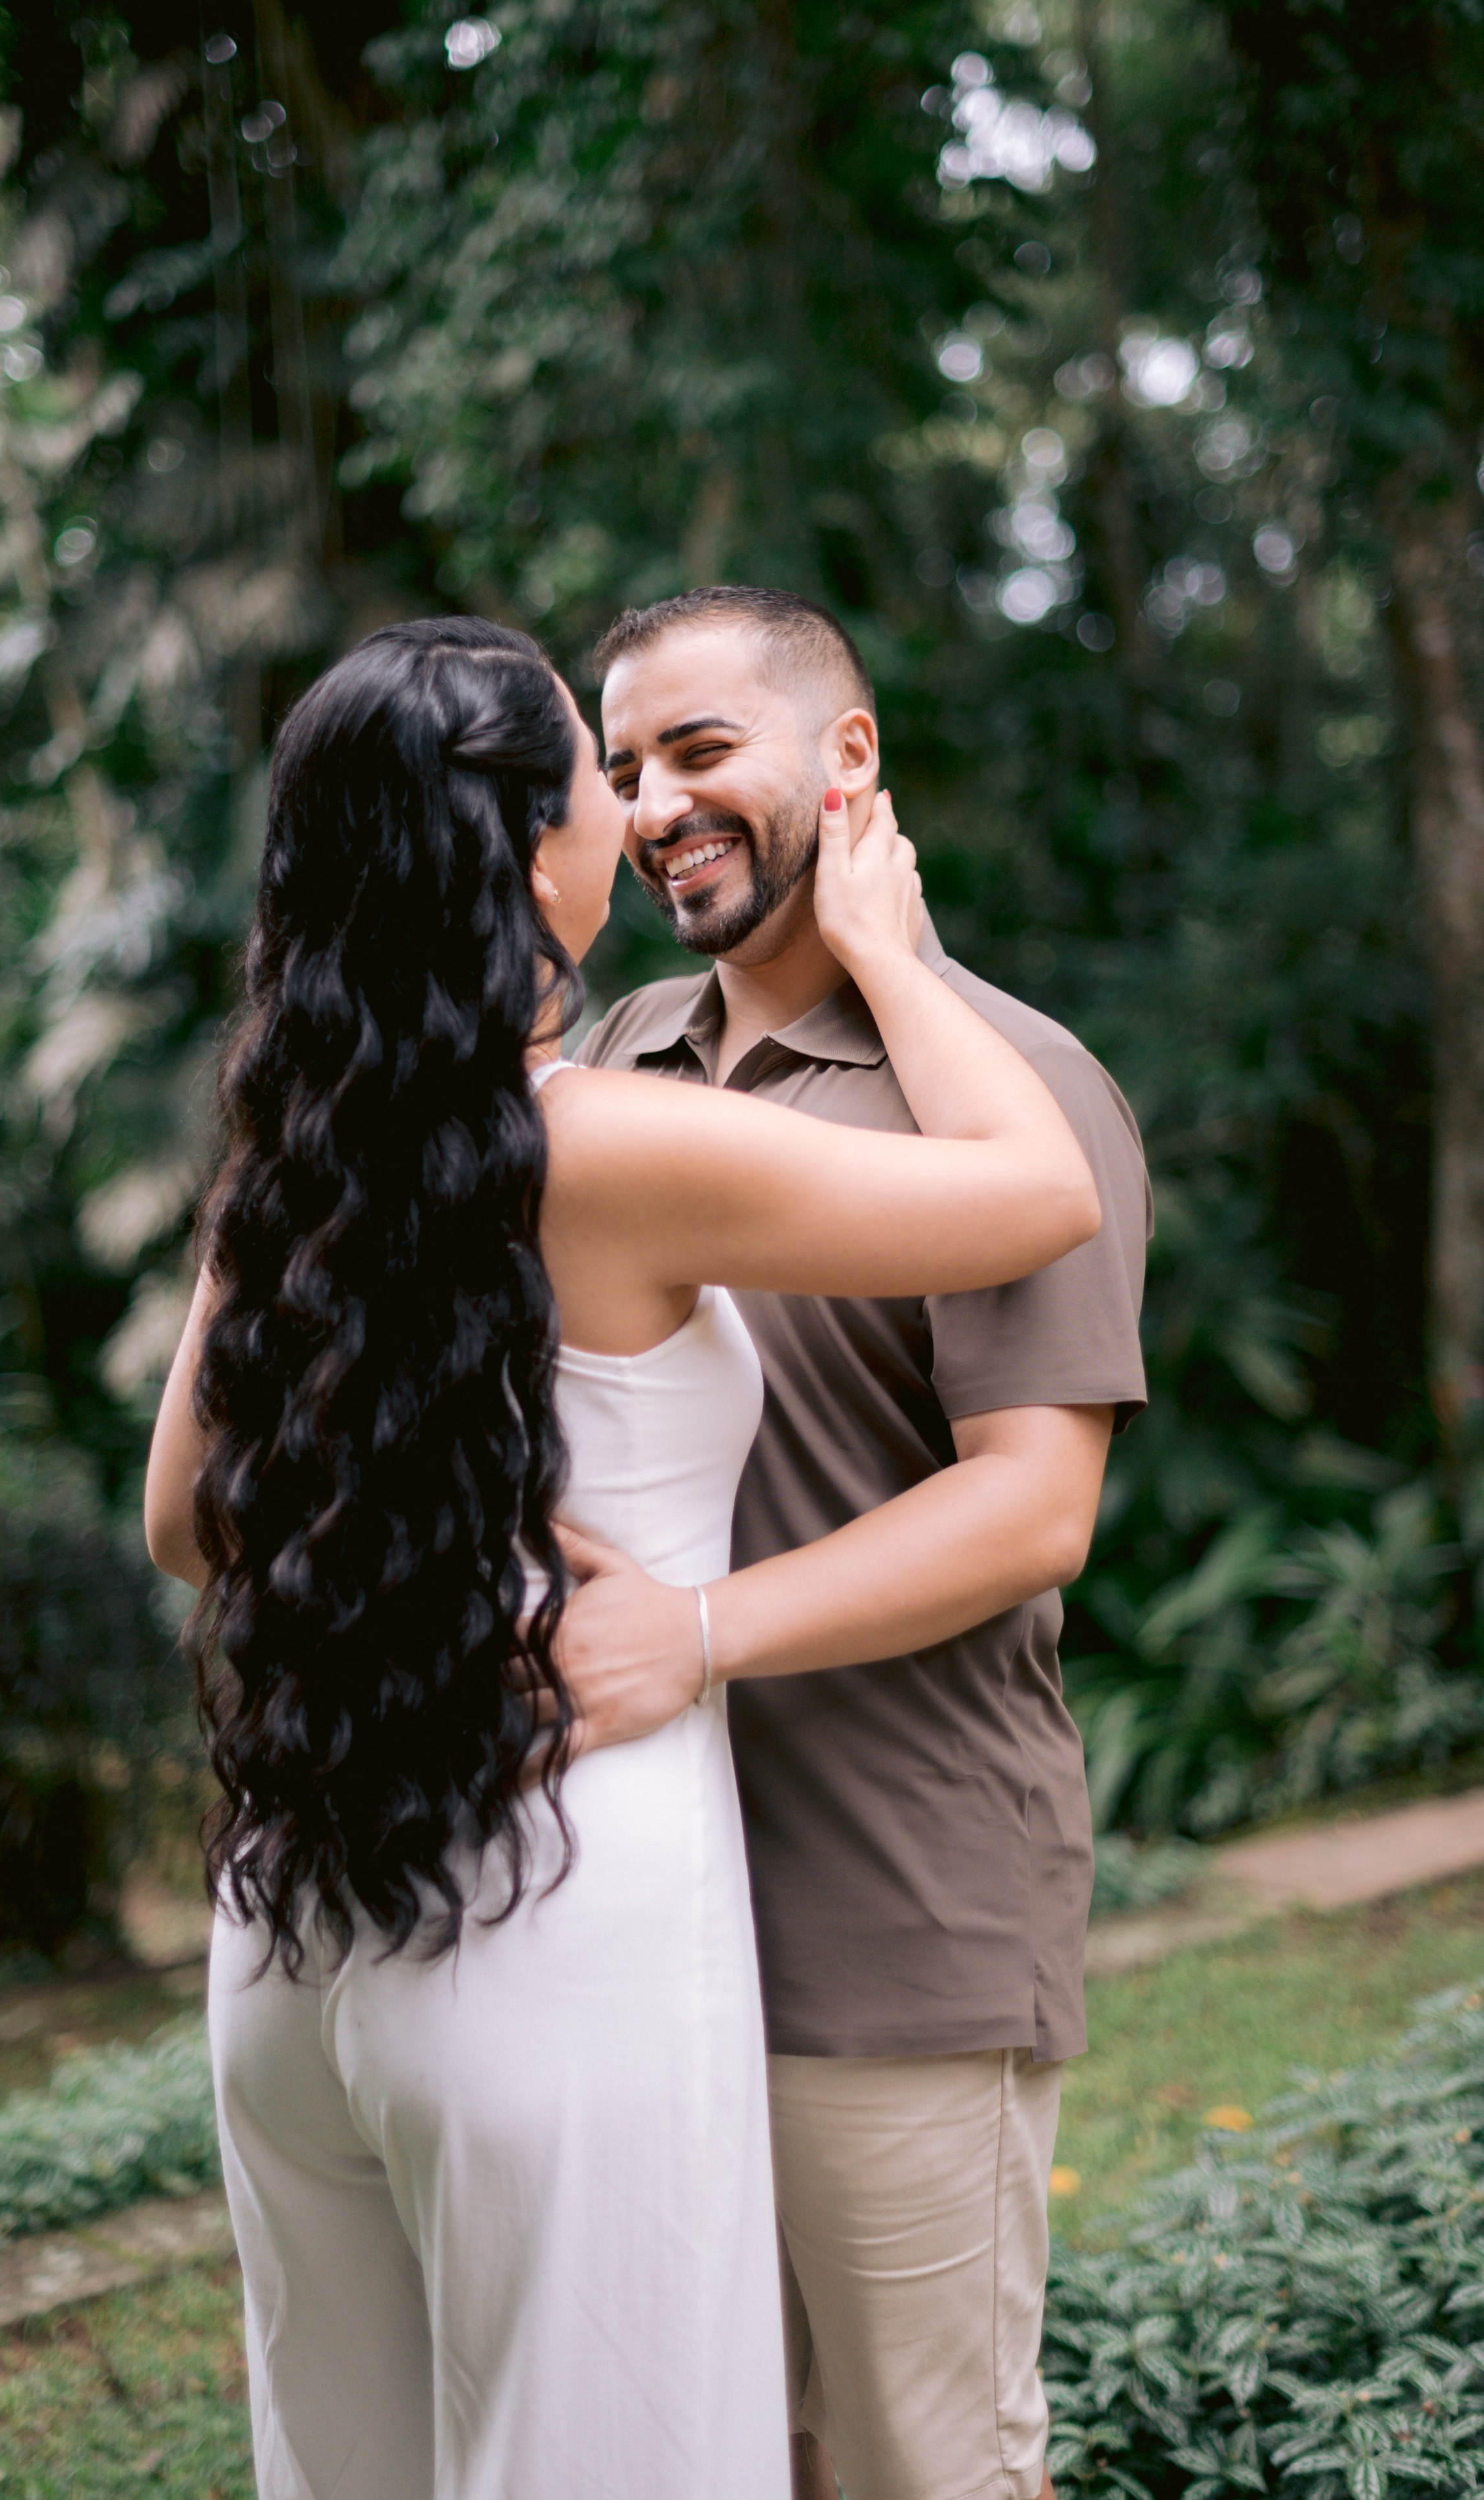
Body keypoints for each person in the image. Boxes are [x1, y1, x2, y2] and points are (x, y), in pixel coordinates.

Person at [143, 613, 1101, 2500]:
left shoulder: (305, 1146)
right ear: (528, 854)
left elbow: (188, 1516)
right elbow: (1039, 1186)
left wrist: (440, 1540)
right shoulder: (602, 1141)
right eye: (599, 770)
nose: (634, 805)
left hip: (301, 1926)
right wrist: (898, 960)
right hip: (552, 1902)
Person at [560, 586, 1152, 2500]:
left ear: (850, 754)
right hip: (641, 1906)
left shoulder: (1011, 1093)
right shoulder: (614, 1062)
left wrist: (700, 1631)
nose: (655, 803)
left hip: (893, 1918)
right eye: (624, 766)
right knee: (748, 2457)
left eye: (701, 749)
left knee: (929, 2469)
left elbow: (1035, 1505)